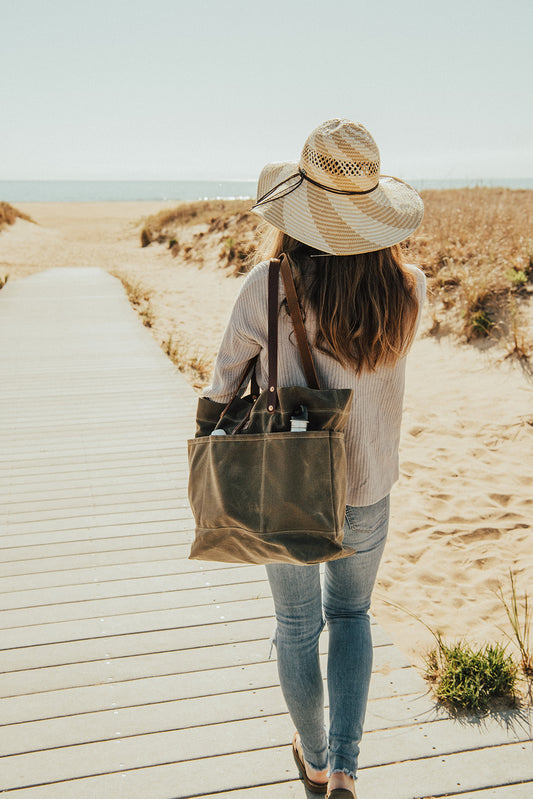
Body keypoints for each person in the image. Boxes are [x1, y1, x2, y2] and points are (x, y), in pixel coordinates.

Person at [202, 119, 426, 799]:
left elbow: (222, 381)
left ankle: (318, 757)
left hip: (290, 482)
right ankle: (349, 768)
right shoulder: (407, 288)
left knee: (297, 624)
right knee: (352, 617)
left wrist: (214, 417)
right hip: (368, 488)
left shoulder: (267, 285)